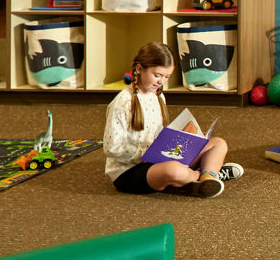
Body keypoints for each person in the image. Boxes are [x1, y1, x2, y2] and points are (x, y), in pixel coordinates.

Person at [103, 42, 243, 199]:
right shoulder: (122, 103)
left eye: (166, 77)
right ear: (139, 69)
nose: (161, 81)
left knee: (218, 144)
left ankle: (207, 178)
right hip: (129, 171)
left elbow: (159, 134)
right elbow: (111, 148)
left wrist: (188, 138)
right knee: (173, 170)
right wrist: (146, 154)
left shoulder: (158, 96)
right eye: (157, 75)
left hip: (158, 159)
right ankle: (202, 175)